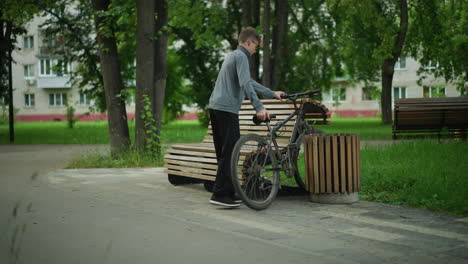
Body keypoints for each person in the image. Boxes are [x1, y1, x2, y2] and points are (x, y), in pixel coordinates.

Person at [207, 28, 285, 207]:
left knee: (225, 153)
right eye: (256, 46)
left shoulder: (232, 55)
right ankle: (220, 195)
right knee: (231, 152)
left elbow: (248, 82)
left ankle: (223, 192)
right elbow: (245, 84)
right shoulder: (242, 57)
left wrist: (272, 93)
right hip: (227, 110)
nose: (256, 50)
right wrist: (259, 107)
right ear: (249, 42)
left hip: (216, 107)